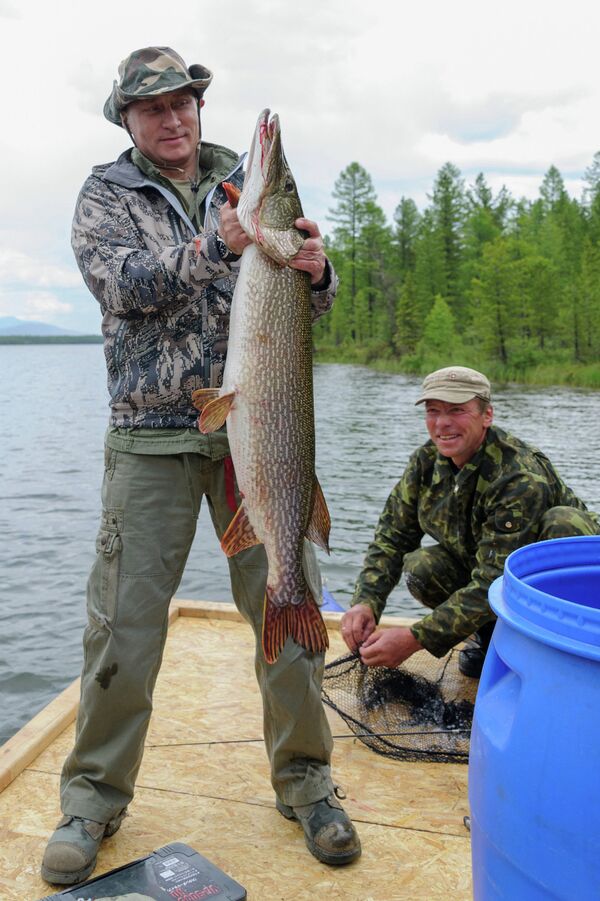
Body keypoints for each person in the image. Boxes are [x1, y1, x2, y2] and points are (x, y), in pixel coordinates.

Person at [41, 46, 360, 886]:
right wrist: (217, 246)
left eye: (184, 102)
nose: (174, 118)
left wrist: (320, 269)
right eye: (154, 109)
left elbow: (304, 297)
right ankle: (93, 800)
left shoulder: (245, 186)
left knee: (287, 609)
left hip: (260, 434)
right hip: (150, 438)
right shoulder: (106, 195)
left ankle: (307, 782)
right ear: (129, 121)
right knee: (123, 626)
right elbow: (122, 287)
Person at [341, 365, 600, 676]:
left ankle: (563, 651)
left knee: (564, 524)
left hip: (554, 590)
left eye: (457, 410)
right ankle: (490, 639)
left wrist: (415, 638)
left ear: (486, 416)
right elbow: (392, 539)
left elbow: (496, 579)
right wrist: (366, 602)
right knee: (422, 568)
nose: (442, 423)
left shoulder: (518, 475)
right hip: (489, 572)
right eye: (433, 411)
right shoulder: (424, 463)